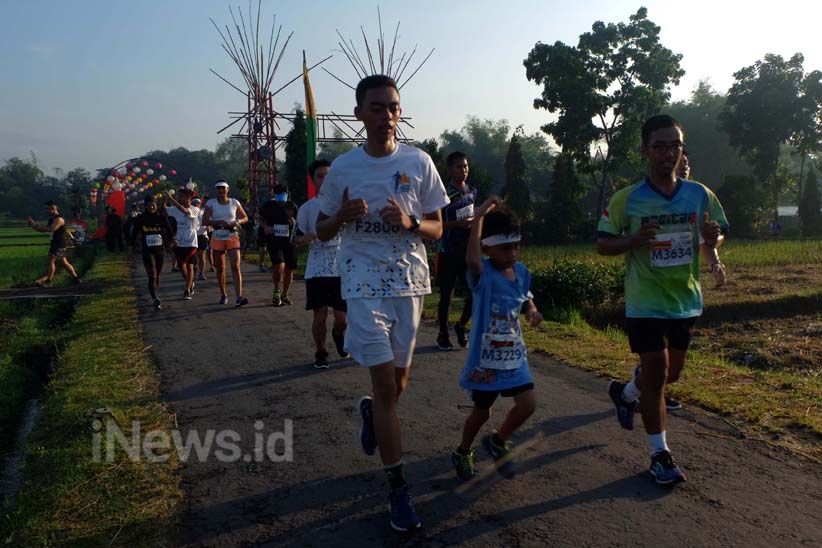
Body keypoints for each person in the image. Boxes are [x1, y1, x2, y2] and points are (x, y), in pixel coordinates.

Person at [316, 74, 449, 532]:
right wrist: (341, 215)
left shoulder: (419, 161)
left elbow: (438, 227)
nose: (387, 116)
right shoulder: (343, 169)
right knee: (388, 388)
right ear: (359, 114)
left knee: (397, 386)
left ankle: (372, 412)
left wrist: (411, 223)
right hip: (361, 284)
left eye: (393, 107)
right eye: (377, 108)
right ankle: (398, 490)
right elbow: (321, 230)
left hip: (408, 283)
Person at [597, 114, 728, 486]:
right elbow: (603, 243)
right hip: (644, 300)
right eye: (660, 146)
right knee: (656, 375)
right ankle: (660, 455)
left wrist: (713, 238)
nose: (669, 153)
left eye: (675, 146)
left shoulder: (699, 194)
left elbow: (717, 234)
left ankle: (625, 393)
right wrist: (633, 241)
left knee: (671, 374)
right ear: (645, 150)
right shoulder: (627, 199)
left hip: (685, 298)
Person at [451, 199, 543, 481]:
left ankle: (498, 440)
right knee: (482, 413)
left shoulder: (522, 272)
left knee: (528, 404)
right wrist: (479, 216)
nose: (512, 253)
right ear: (486, 247)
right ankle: (463, 450)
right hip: (486, 361)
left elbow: (525, 297)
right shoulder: (483, 274)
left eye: (516, 247)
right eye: (505, 248)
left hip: (513, 355)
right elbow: (471, 260)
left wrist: (532, 310)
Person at [295, 159, 349, 369]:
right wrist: (304, 238)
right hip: (317, 266)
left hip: (341, 265)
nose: (325, 180)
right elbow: (295, 239)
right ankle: (321, 352)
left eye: (329, 176)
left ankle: (338, 334)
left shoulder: (344, 205)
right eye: (320, 176)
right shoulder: (307, 209)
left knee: (342, 318)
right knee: (320, 314)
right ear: (313, 180)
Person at [435, 151, 477, 350]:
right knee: (446, 295)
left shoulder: (471, 191)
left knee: (476, 292)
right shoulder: (442, 195)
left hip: (467, 251)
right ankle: (443, 334)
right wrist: (457, 224)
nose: (464, 170)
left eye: (466, 166)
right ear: (450, 170)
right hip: (447, 250)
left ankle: (461, 326)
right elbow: (435, 224)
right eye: (459, 167)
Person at [679, 151, 726, 289]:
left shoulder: (701, 194)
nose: (683, 166)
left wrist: (714, 262)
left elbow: (717, 232)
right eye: (678, 162)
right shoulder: (647, 198)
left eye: (686, 163)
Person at [203, 181, 249, 307]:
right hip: (218, 235)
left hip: (232, 235)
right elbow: (205, 221)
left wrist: (238, 221)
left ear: (228, 189)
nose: (221, 191)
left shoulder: (234, 202)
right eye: (218, 188)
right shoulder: (211, 203)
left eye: (223, 188)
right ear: (216, 190)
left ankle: (239, 297)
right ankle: (223, 294)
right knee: (220, 268)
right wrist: (220, 222)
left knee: (235, 266)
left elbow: (245, 217)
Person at [131, 195, 175, 310]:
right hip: (147, 251)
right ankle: (154, 298)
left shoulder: (161, 217)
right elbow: (134, 232)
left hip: (159, 250)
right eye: (149, 205)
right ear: (145, 206)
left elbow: (169, 230)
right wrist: (131, 245)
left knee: (157, 275)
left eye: (153, 205)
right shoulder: (141, 218)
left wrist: (172, 240)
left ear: (156, 205)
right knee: (152, 275)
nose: (151, 207)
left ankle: (156, 297)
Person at [259, 184, 299, 306]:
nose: (282, 196)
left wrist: (294, 222)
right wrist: (266, 227)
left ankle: (285, 294)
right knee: (279, 265)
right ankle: (276, 291)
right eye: (280, 194)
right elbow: (258, 218)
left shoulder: (292, 206)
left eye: (284, 194)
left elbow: (300, 221)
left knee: (289, 268)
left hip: (289, 240)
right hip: (274, 240)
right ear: (275, 194)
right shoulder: (268, 206)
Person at [27, 201, 82, 287]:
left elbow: (51, 229)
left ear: (53, 208)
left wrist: (37, 226)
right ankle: (76, 279)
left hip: (58, 244)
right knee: (64, 262)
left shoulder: (59, 219)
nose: (46, 211)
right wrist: (33, 225)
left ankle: (48, 281)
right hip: (56, 243)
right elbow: (44, 229)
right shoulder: (51, 219)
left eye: (47, 209)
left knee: (51, 260)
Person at [165, 189, 200, 300]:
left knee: (189, 265)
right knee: (181, 266)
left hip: (191, 241)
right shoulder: (174, 209)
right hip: (178, 241)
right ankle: (190, 283)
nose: (179, 198)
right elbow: (163, 210)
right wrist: (166, 199)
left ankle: (187, 290)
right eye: (178, 196)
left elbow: (185, 211)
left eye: (181, 196)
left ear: (189, 198)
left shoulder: (195, 209)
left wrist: (171, 199)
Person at [192, 198, 210, 281]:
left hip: (202, 235)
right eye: (194, 203)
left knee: (202, 255)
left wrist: (208, 226)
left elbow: (208, 220)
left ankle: (201, 273)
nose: (196, 204)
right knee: (194, 256)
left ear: (200, 204)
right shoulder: (189, 212)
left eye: (198, 203)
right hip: (193, 236)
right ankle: (193, 272)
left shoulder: (203, 212)